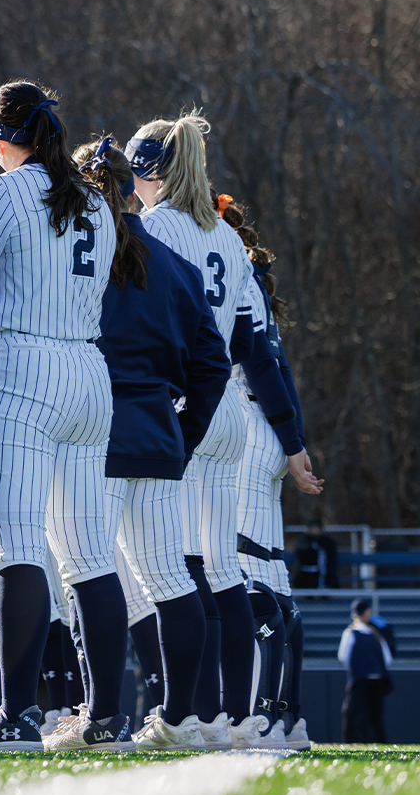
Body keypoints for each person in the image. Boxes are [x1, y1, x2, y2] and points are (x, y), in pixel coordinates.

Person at [0, 81, 130, 752]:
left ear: (3, 134)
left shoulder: (2, 193)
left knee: (19, 548)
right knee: (89, 555)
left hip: (22, 367)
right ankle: (106, 718)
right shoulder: (97, 199)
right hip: (88, 372)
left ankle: (19, 715)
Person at [129, 112, 302, 747]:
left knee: (182, 569)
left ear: (149, 171)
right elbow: (255, 342)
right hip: (231, 406)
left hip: (185, 404)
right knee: (224, 568)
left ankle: (193, 714)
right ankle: (238, 717)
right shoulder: (227, 236)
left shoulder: (155, 225)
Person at [78, 136, 232, 752]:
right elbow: (213, 365)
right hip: (159, 435)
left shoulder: (79, 259)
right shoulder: (177, 267)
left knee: (90, 570)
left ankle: (102, 717)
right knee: (169, 578)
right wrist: (183, 436)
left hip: (94, 432)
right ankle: (180, 717)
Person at [223, 197, 324, 750]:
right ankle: (290, 718)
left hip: (241, 422)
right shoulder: (254, 279)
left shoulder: (231, 273)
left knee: (245, 577)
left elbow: (259, 365)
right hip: (268, 430)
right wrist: (294, 443)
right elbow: (279, 369)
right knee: (276, 581)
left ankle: (258, 718)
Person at [339, 598, 391, 743]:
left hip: (360, 679)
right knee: (375, 715)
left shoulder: (352, 632)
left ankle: (353, 742)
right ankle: (379, 742)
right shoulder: (374, 633)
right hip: (376, 680)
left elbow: (343, 656)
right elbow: (387, 659)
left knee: (354, 712)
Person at [294, 519, 339, 589]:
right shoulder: (304, 541)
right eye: (311, 527)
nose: (313, 530)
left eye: (315, 528)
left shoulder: (327, 542)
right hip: (305, 575)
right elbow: (301, 556)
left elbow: (330, 560)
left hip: (323, 575)